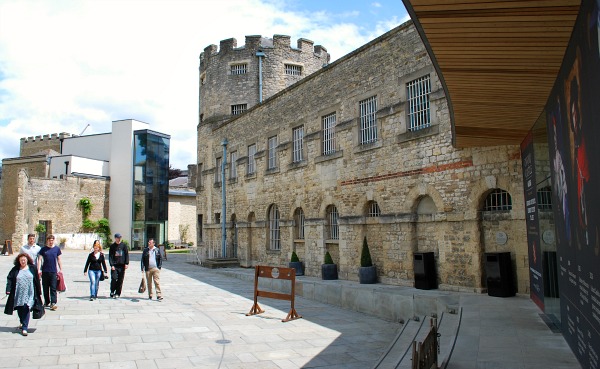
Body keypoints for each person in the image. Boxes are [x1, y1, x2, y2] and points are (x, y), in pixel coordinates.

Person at [5, 253, 43, 336]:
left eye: (24, 260)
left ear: (27, 260)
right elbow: (10, 278)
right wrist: (8, 290)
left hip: (30, 292)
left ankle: (25, 328)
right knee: (19, 308)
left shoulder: (32, 268)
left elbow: (37, 280)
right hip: (18, 292)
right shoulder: (15, 269)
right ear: (19, 261)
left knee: (26, 307)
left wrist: (39, 292)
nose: (23, 261)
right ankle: (22, 322)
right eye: (21, 260)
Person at [37, 234, 62, 310]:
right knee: (45, 287)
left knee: (53, 287)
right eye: (49, 240)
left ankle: (53, 302)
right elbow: (40, 259)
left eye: (52, 240)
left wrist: (61, 269)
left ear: (53, 240)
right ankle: (47, 301)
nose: (51, 242)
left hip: (53, 271)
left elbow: (59, 259)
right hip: (45, 271)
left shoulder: (57, 249)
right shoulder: (43, 249)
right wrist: (39, 269)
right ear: (47, 241)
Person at [109, 233, 129, 299]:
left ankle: (118, 293)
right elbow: (110, 256)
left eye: (120, 237)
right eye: (118, 237)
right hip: (115, 265)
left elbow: (126, 254)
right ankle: (112, 291)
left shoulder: (124, 246)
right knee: (114, 278)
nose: (119, 239)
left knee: (120, 280)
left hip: (122, 265)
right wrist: (111, 265)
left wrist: (126, 263)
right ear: (115, 238)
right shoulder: (112, 246)